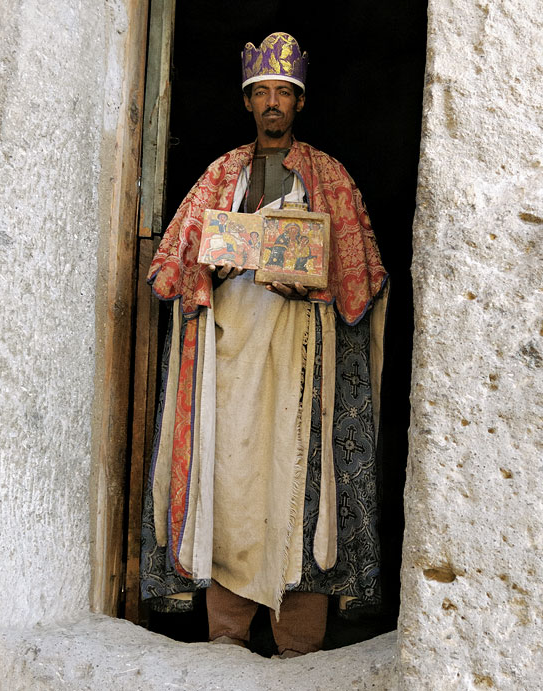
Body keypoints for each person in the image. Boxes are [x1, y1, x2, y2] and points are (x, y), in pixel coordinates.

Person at [140, 31, 388, 658]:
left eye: (284, 92)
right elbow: (171, 268)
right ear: (247, 102)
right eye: (263, 93)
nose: (273, 102)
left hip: (303, 362)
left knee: (301, 488)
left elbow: (365, 281)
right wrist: (213, 269)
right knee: (229, 484)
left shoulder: (329, 177)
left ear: (299, 103)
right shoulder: (220, 175)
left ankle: (299, 646)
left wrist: (311, 279)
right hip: (229, 363)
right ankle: (224, 640)